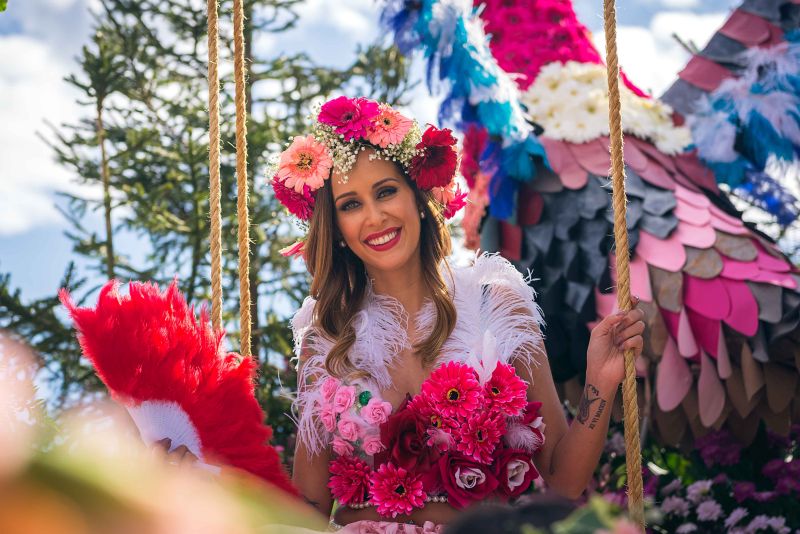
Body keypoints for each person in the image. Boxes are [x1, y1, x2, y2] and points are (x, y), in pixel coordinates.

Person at [274, 96, 645, 533]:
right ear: (334, 228)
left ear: (418, 196)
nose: (374, 217)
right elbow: (311, 506)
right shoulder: (327, 335)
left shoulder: (499, 307)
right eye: (350, 204)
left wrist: (599, 382)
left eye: (386, 191)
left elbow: (563, 482)